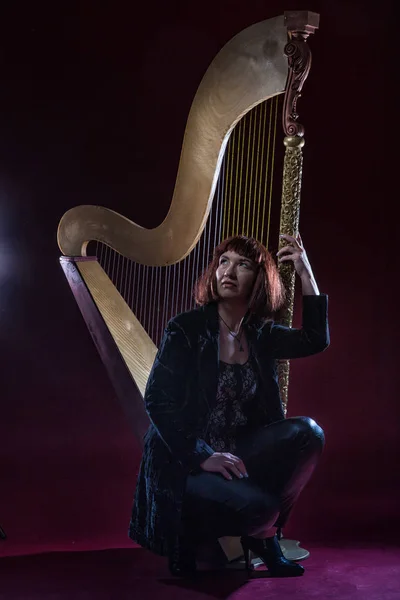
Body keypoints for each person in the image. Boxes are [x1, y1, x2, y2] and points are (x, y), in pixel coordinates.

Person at [129, 233, 329, 578]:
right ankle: (187, 537)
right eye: (224, 261)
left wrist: (304, 269)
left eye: (243, 264)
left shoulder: (260, 335)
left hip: (238, 451)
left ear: (260, 279)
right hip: (188, 460)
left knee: (308, 433)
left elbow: (315, 339)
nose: (229, 271)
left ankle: (265, 539)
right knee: (261, 510)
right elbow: (157, 400)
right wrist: (202, 455)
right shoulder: (186, 330)